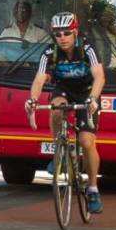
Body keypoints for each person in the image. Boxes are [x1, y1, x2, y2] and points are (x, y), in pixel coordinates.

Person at [25, 11, 106, 214]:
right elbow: (39, 79)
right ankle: (59, 152)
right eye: (57, 34)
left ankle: (93, 189)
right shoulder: (49, 52)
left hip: (87, 93)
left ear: (75, 32)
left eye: (66, 33)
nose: (62, 38)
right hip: (64, 89)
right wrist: (32, 101)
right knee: (56, 109)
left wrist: (94, 99)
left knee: (87, 142)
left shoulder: (87, 48)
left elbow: (100, 77)